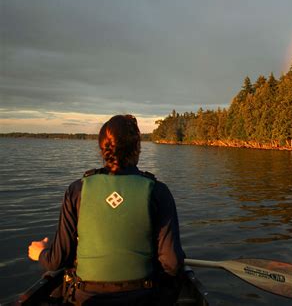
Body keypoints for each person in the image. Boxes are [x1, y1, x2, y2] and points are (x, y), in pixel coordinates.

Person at [28, 114, 185, 305]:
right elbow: (172, 264)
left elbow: (57, 261)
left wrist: (41, 253)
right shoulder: (158, 191)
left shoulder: (77, 190)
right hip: (142, 298)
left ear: (102, 148)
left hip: (85, 298)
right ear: (137, 148)